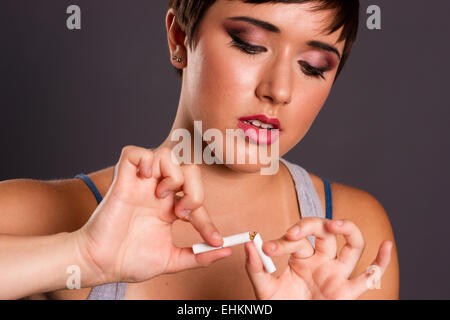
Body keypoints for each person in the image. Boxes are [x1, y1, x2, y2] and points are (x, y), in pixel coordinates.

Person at [0, 0, 399, 300]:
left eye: (312, 65)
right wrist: (83, 256)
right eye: (250, 45)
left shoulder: (350, 231)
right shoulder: (45, 214)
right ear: (180, 38)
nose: (278, 90)